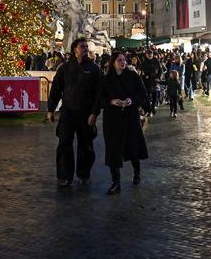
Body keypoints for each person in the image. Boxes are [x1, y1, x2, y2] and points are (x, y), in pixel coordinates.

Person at [46, 38, 102, 187]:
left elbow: (99, 93)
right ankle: (64, 176)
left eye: (86, 46)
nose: (85, 49)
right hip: (68, 112)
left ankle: (84, 174)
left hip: (86, 113)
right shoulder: (65, 68)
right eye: (82, 46)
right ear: (74, 49)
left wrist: (94, 113)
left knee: (86, 145)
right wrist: (51, 109)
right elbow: (56, 89)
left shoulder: (94, 69)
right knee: (64, 144)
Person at [100, 51, 149, 194]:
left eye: (124, 60)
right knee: (113, 150)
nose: (123, 62)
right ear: (113, 63)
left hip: (130, 116)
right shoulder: (106, 79)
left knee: (133, 147)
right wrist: (111, 101)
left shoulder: (133, 76)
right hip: (112, 119)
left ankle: (137, 173)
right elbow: (100, 98)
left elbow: (143, 93)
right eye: (119, 60)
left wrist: (132, 100)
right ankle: (115, 182)